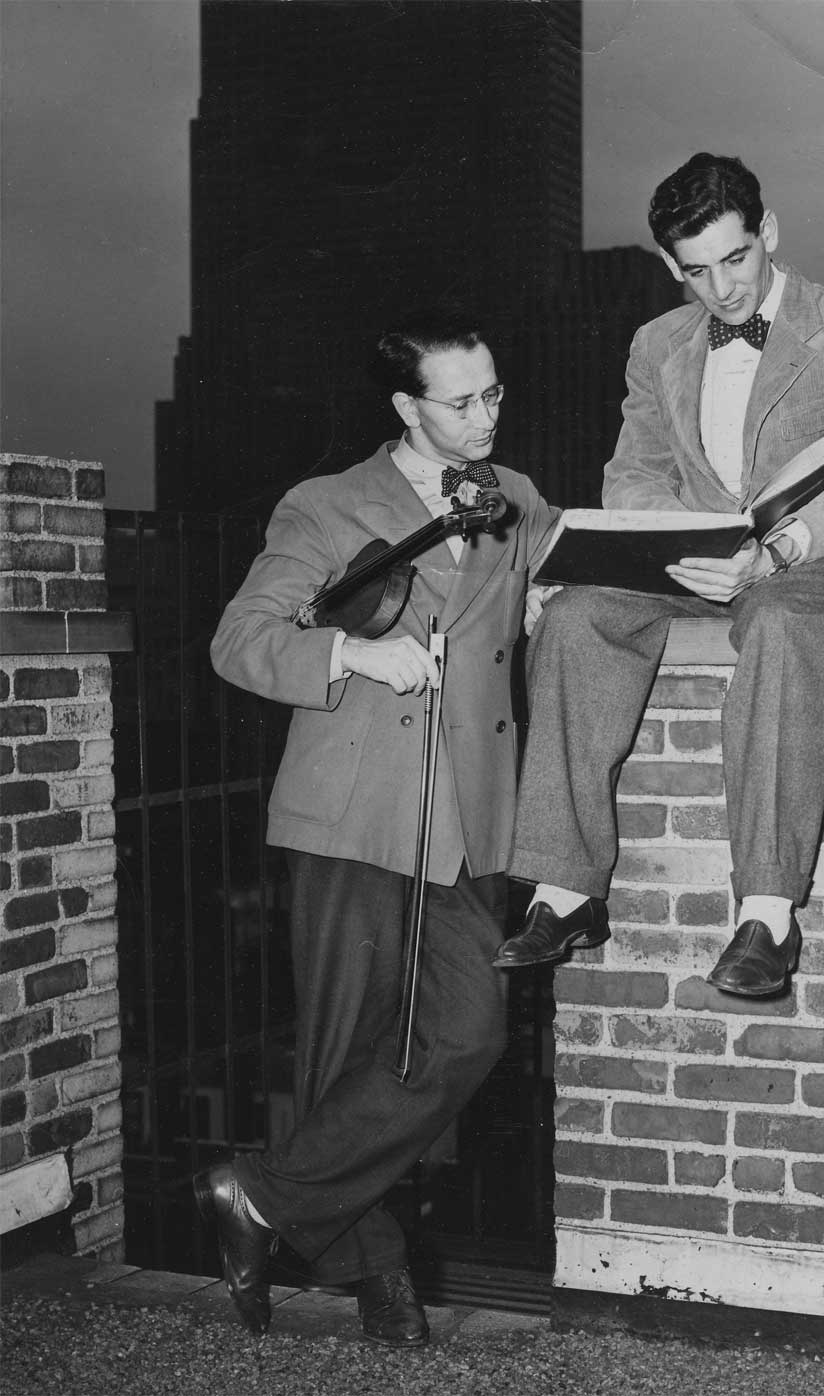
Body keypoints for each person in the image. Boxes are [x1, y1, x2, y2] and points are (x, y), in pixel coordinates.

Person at [195, 310, 559, 1346]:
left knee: (465, 1035)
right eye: (462, 400)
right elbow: (241, 639)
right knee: (347, 1047)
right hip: (354, 811)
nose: (487, 414)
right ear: (406, 407)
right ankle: (377, 1269)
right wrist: (353, 659)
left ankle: (263, 1194)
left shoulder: (514, 499)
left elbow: (556, 578)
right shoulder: (325, 505)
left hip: (464, 816)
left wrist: (553, 600)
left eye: (494, 392)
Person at [494, 152, 824, 997]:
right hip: (696, 556)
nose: (720, 289)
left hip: (815, 555)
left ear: (770, 234)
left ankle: (767, 915)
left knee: (781, 622)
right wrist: (667, 536)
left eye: (736, 259)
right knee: (575, 617)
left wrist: (777, 550)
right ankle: (565, 890)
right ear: (667, 266)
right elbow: (637, 469)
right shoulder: (657, 343)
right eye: (695, 272)